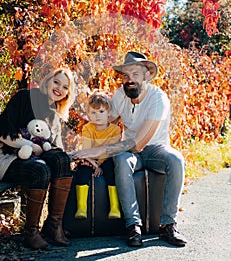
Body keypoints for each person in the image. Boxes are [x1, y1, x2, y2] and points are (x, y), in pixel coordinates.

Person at [73, 51, 187, 248]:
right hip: (129, 151)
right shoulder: (120, 94)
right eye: (125, 75)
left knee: (176, 160)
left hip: (154, 149)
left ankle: (168, 224)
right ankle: (133, 226)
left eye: (135, 74)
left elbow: (140, 143)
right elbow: (107, 122)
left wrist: (98, 151)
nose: (129, 79)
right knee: (122, 161)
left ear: (147, 76)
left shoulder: (158, 99)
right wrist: (87, 143)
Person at [0, 67, 75, 250]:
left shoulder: (54, 114)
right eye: (56, 82)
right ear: (48, 81)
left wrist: (79, 157)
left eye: (65, 87)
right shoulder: (24, 98)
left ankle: (53, 225)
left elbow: (56, 149)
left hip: (33, 160)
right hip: (6, 159)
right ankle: (31, 233)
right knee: (41, 169)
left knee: (62, 160)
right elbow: (1, 132)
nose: (59, 88)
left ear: (68, 93)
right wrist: (29, 146)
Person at [75, 91, 121, 220]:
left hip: (106, 158)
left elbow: (110, 150)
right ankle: (81, 208)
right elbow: (86, 149)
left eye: (101, 112)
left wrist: (99, 164)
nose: (97, 116)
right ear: (89, 114)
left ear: (108, 113)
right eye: (93, 113)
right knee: (82, 172)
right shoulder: (88, 128)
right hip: (89, 158)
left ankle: (115, 207)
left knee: (111, 171)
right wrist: (94, 164)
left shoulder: (115, 130)